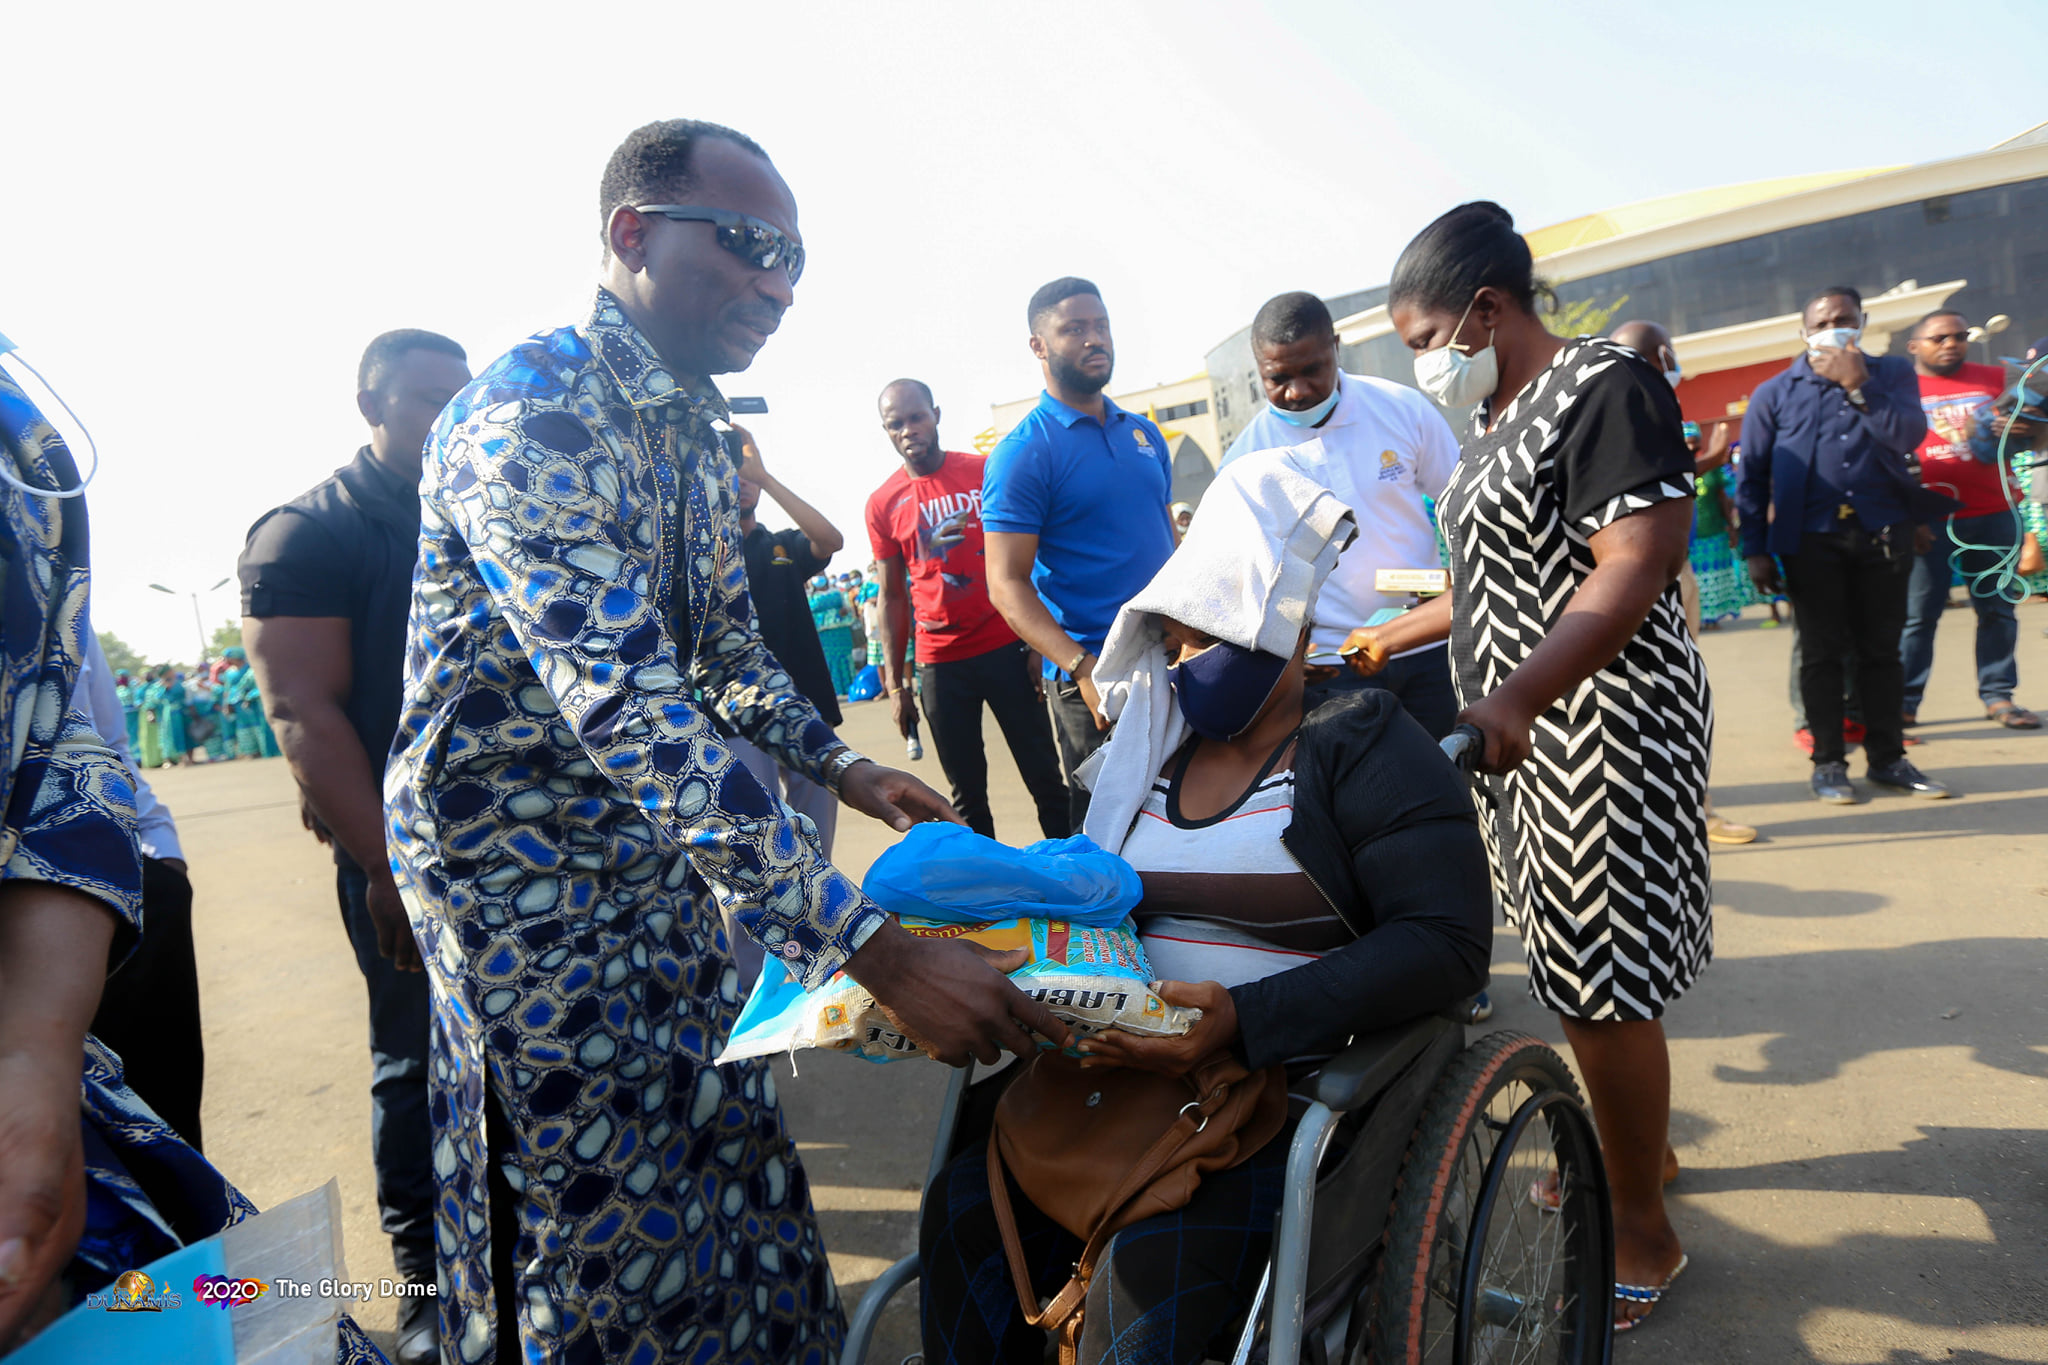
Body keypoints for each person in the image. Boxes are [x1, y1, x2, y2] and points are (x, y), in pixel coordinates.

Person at [383, 118, 1069, 1365]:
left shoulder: (695, 434)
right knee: (589, 1198)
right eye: (750, 247)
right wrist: (870, 947)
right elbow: (628, 700)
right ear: (631, 235)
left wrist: (846, 767)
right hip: (513, 875)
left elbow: (723, 661)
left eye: (795, 262)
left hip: (649, 843)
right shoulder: (525, 417)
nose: (777, 286)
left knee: (722, 1132)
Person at [919, 451, 1493, 1365]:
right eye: (1173, 644)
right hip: (1120, 1077)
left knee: (1141, 1298)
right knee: (960, 1213)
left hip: (1288, 1094)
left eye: (1207, 638)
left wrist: (1244, 1020)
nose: (1185, 664)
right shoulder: (1153, 759)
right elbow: (1089, 906)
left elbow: (1448, 945)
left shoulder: (1361, 744)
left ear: (1294, 634)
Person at [1359, 202, 1712, 1328]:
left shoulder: (1599, 386)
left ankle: (1643, 1236)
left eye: (1426, 336)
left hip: (1598, 722)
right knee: (1572, 970)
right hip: (1526, 732)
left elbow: (1635, 556)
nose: (1422, 362)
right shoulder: (1497, 420)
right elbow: (1500, 578)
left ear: (1486, 308)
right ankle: (1634, 1158)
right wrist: (1381, 640)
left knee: (1599, 978)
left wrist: (1515, 692)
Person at [0, 365, 387, 1362]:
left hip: (82, 930)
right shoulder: (306, 532)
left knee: (162, 1289)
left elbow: (59, 756)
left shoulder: (22, 452)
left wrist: (33, 1047)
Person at [238, 327, 469, 1365]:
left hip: (522, 841)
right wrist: (383, 866)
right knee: (412, 1062)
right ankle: (420, 1281)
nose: (451, 420)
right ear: (369, 406)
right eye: (429, 400)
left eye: (463, 400)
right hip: (399, 855)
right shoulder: (306, 534)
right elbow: (302, 712)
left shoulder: (485, 509)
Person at [1736, 286, 1955, 803]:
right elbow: (1753, 479)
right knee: (1821, 653)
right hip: (1810, 541)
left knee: (1882, 650)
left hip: (1882, 534)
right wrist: (1756, 549)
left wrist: (1860, 388)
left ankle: (1888, 759)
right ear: (1804, 332)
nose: (1832, 328)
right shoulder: (1775, 392)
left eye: (1844, 319)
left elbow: (1906, 436)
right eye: (1821, 322)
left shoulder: (1893, 375)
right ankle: (1829, 762)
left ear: (1861, 322)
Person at [1224, 291, 1464, 739]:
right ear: (1259, 369)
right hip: (1332, 665)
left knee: (1448, 785)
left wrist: (1454, 584)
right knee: (1360, 799)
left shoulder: (1402, 410)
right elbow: (1238, 581)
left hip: (1428, 645)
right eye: (1278, 378)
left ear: (1335, 346)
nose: (1297, 391)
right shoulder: (1246, 460)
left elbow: (1463, 508)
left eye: (1312, 370)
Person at [984, 277, 1177, 826]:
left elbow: (1170, 544)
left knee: (1180, 818)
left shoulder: (1144, 435)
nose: (1095, 339)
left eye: (1101, 325)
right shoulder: (1024, 453)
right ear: (1038, 346)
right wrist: (1081, 667)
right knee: (1106, 836)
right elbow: (1006, 584)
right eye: (1074, 329)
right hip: (1093, 677)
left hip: (1171, 660)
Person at [866, 379, 1071, 842]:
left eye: (916, 417)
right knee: (966, 798)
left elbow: (1030, 558)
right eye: (895, 424)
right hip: (941, 664)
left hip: (1006, 647)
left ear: (935, 414)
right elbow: (892, 595)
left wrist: (1040, 640)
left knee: (1046, 779)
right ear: (886, 430)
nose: (908, 430)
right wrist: (897, 682)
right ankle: (988, 897)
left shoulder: (984, 471)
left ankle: (1070, 879)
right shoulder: (882, 503)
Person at [1607, 322, 1758, 848]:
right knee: (1664, 699)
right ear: (1665, 355)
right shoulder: (1616, 413)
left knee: (1677, 697)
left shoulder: (1657, 412)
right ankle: (1684, 816)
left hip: (1672, 572)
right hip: (1635, 581)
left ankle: (1695, 810)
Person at [727, 423, 849, 981]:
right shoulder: (703, 555)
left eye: (746, 466)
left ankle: (819, 969)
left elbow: (832, 540)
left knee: (814, 854)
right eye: (729, 468)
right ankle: (757, 984)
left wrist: (767, 477)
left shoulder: (780, 545)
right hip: (734, 720)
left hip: (807, 717)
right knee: (754, 852)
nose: (742, 479)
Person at [77, 627, 205, 1149]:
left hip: (126, 885)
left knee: (164, 1118)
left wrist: (162, 851)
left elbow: (110, 742)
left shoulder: (56, 585)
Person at [1900, 310, 2040, 729]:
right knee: (1919, 614)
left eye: (1959, 336)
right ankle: (1904, 703)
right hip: (1928, 518)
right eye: (1939, 337)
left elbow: (2034, 429)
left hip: (1995, 511)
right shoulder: (1898, 386)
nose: (1951, 343)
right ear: (1914, 346)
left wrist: (2018, 430)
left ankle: (1999, 695)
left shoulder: (1996, 377)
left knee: (1997, 608)